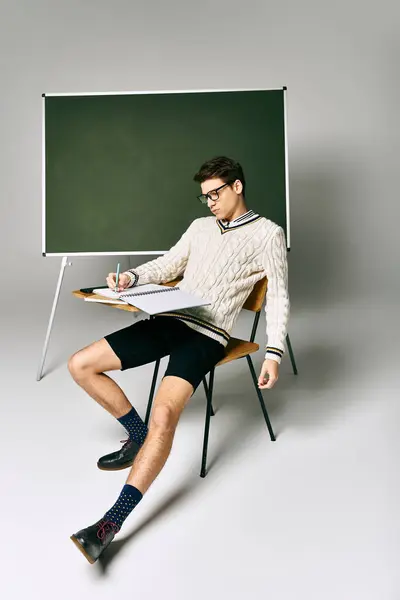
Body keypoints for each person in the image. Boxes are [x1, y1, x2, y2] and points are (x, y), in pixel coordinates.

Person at [68, 156, 290, 564]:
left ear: (237, 186)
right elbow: (169, 264)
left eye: (216, 193)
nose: (210, 202)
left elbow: (277, 296)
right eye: (204, 196)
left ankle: (109, 524)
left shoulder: (268, 234)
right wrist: (131, 278)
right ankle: (137, 437)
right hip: (171, 316)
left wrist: (273, 353)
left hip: (208, 335)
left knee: (165, 417)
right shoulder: (200, 228)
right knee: (80, 364)